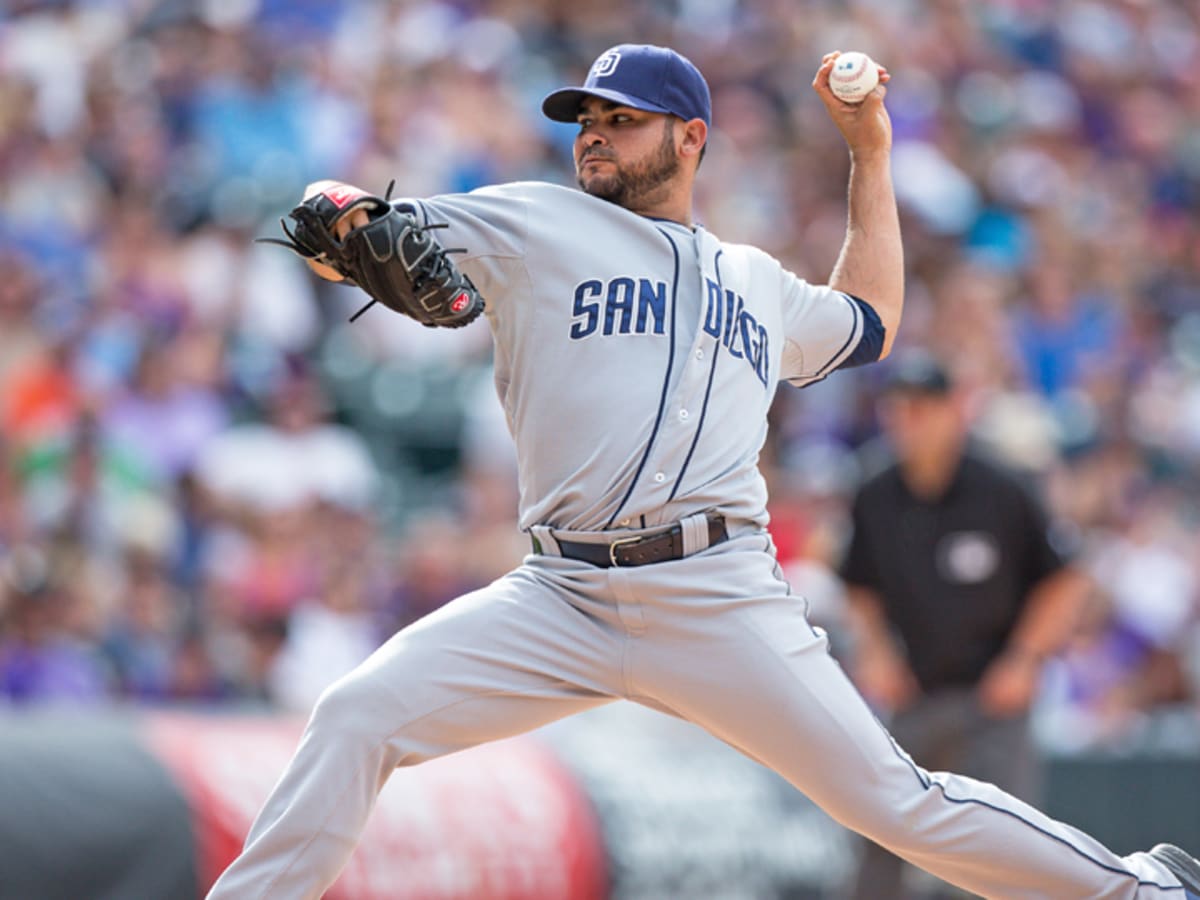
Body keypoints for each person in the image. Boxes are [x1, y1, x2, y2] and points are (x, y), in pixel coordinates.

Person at [207, 44, 1200, 899]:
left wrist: (871, 155)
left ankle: (1138, 887)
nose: (592, 135)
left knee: (897, 802)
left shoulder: (756, 282)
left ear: (690, 137)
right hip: (561, 592)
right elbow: (348, 220)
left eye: (621, 120)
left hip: (716, 595)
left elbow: (874, 318)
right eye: (583, 119)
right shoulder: (536, 222)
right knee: (357, 715)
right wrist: (334, 222)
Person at [838, 350, 1092, 899]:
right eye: (898, 409)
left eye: (923, 408)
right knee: (877, 830)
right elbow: (857, 584)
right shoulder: (874, 490)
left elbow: (1064, 580)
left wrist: (1024, 661)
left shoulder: (1003, 484)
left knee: (996, 849)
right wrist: (877, 650)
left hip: (994, 697)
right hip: (915, 695)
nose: (909, 422)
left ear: (955, 410)